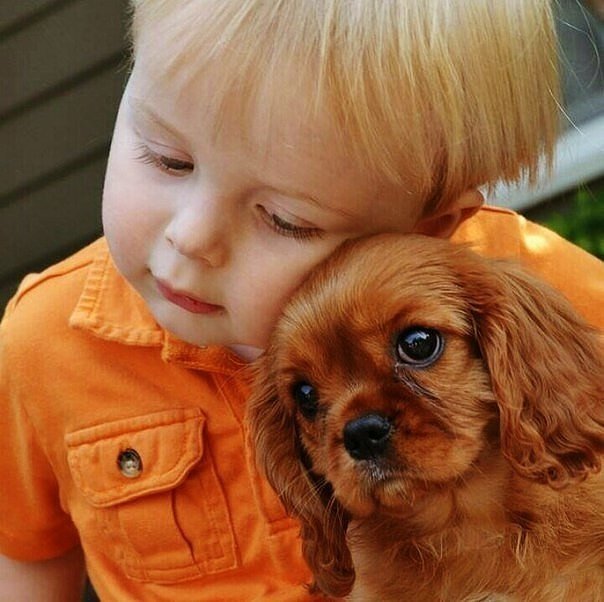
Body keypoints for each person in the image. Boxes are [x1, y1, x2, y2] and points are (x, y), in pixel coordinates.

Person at [0, 1, 602, 600]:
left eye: (283, 218)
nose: (191, 237)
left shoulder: (534, 287)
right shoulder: (44, 348)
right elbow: (26, 558)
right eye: (168, 158)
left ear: (426, 227)